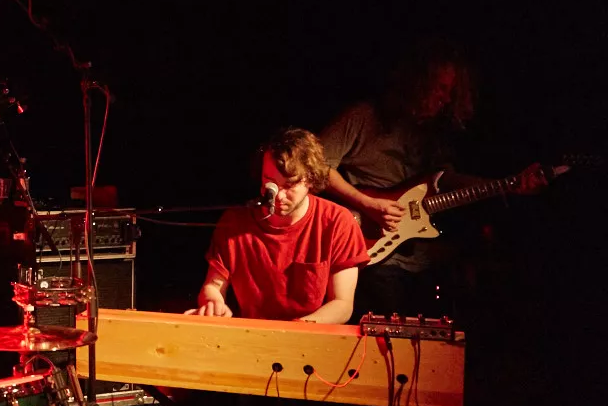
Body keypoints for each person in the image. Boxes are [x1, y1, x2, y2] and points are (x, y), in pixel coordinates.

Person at [319, 40, 545, 317]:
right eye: (440, 87)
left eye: (451, 92)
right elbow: (316, 165)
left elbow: (446, 180)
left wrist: (508, 185)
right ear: (417, 81)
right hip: (375, 255)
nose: (446, 99)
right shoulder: (364, 117)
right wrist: (368, 203)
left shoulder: (436, 136)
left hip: (423, 261)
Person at [189, 128, 369, 323]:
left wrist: (295, 330)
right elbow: (213, 286)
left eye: (289, 185)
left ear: (310, 178)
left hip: (309, 334)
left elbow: (342, 304)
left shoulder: (337, 222)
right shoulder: (235, 221)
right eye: (270, 183)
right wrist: (213, 303)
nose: (279, 196)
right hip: (253, 333)